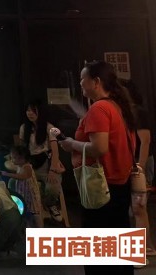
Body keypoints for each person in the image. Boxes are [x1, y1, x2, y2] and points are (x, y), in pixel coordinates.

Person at [59, 61, 136, 275]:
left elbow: (99, 148)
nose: (80, 83)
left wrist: (71, 144)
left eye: (83, 79)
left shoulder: (99, 108)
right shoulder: (118, 107)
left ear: (96, 81)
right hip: (121, 185)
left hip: (101, 187)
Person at [17, 99, 65, 222]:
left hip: (46, 162)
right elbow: (21, 148)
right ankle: (30, 211)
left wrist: (53, 169)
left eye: (33, 110)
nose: (30, 113)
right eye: (28, 110)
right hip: (30, 163)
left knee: (52, 187)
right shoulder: (24, 128)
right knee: (22, 184)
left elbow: (55, 150)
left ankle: (50, 205)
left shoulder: (50, 128)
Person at [124, 81, 156, 261]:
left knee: (138, 207)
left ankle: (145, 248)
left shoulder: (138, 112)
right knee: (135, 208)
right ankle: (146, 246)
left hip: (140, 164)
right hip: (131, 163)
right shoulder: (125, 112)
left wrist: (140, 167)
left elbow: (145, 141)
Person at [1, 145, 43, 227]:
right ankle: (28, 225)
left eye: (14, 158)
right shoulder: (20, 165)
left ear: (22, 159)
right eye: (12, 157)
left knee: (35, 212)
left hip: (31, 193)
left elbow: (23, 177)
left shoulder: (27, 167)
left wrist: (7, 174)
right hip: (24, 191)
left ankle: (40, 227)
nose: (12, 160)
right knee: (27, 210)